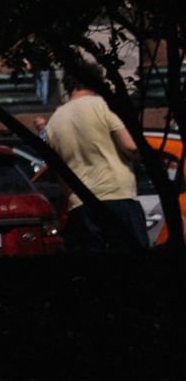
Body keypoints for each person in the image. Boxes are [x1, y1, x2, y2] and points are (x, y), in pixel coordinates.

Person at [47, 60, 147, 258]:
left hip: (80, 205)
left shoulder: (54, 121)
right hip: (117, 195)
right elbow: (131, 146)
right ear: (96, 81)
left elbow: (60, 175)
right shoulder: (104, 106)